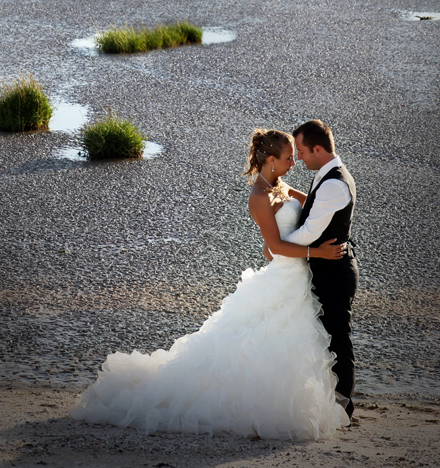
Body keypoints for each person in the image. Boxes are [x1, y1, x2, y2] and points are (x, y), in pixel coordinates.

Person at [70, 129, 351, 440]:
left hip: (297, 277)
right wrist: (317, 251)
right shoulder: (258, 197)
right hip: (285, 275)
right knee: (270, 339)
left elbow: (308, 206)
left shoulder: (280, 186)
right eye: (287, 158)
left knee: (297, 342)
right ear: (271, 160)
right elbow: (275, 246)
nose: (293, 162)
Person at [282, 119, 358, 419]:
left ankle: (343, 406)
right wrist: (297, 195)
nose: (298, 157)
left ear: (317, 149)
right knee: (325, 336)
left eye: (301, 151)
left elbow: (310, 232)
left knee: (337, 338)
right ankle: (331, 399)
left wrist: (278, 245)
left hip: (334, 273)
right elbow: (317, 206)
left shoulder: (335, 183)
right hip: (329, 269)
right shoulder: (327, 174)